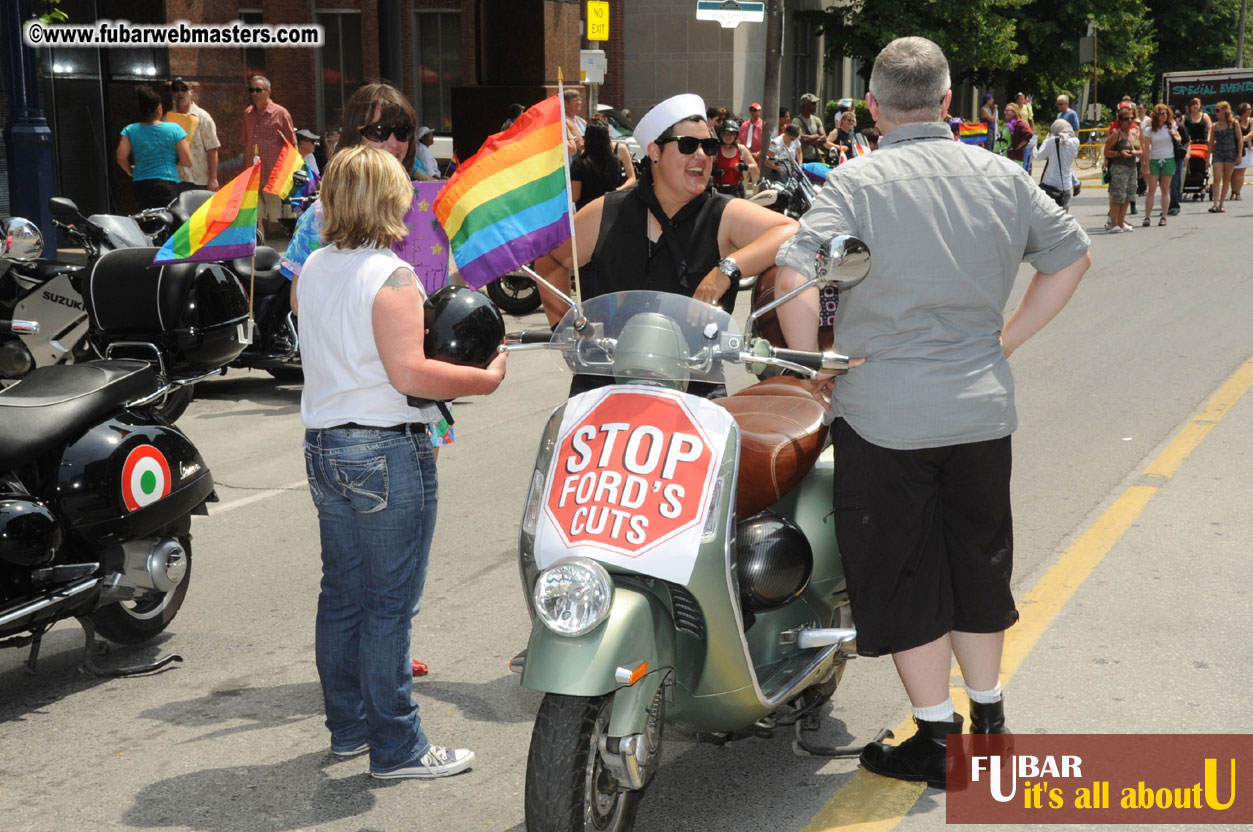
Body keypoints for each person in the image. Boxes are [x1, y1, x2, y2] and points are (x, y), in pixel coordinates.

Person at [771, 36, 1090, 790]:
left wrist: (815, 370)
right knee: (978, 564)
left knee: (905, 572)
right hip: (980, 410)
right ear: (948, 102)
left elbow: (793, 271)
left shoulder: (854, 182)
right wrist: (1004, 341)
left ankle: (937, 738)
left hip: (883, 417)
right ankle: (990, 723)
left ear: (872, 107)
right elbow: (1070, 257)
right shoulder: (1000, 174)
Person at [293, 144, 506, 780]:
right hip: (384, 446)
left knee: (342, 593)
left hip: (325, 443)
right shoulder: (392, 276)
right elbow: (409, 374)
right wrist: (487, 378)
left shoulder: (313, 269)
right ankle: (398, 747)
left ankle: (350, 729)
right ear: (391, 201)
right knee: (389, 603)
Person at [533, 93, 798, 398]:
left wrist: (726, 270)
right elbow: (550, 257)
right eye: (688, 145)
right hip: (605, 385)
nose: (702, 155)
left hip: (695, 389)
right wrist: (565, 329)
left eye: (709, 146)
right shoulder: (607, 211)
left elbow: (790, 230)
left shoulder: (721, 213)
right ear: (655, 151)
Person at [117, 85, 192, 210]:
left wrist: (131, 171)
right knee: (170, 219)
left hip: (141, 185)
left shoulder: (130, 130)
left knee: (146, 219)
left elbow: (121, 158)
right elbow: (187, 161)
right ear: (159, 109)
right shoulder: (175, 129)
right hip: (167, 184)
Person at [240, 75, 297, 239]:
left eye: (258, 90)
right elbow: (245, 142)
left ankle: (288, 244)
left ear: (269, 91)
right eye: (251, 90)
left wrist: (291, 173)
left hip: (274, 174)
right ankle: (261, 243)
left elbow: (292, 145)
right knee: (256, 213)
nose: (254, 94)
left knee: (277, 217)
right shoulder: (248, 114)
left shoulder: (280, 113)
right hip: (253, 174)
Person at [569, 115, 635, 209]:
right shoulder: (615, 160)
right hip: (610, 207)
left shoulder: (580, 163)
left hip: (588, 210)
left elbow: (575, 197)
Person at [166, 77, 220, 191]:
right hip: (174, 180)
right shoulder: (167, 118)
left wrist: (213, 178)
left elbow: (212, 149)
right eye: (176, 89)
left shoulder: (203, 117)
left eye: (184, 88)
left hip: (198, 181)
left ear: (192, 92)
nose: (179, 93)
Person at [1104, 102, 1141, 232]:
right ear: (1120, 121)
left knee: (1128, 196)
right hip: (1119, 169)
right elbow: (1107, 151)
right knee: (1118, 197)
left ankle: (1121, 222)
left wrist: (1137, 152)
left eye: (1131, 118)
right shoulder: (1116, 134)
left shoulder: (1133, 134)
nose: (1129, 121)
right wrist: (1119, 153)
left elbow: (1140, 149)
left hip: (1132, 168)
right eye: (1126, 119)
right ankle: (1114, 224)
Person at [1141, 104, 1180, 226]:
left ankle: (1164, 216)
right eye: (1162, 113)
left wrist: (1174, 134)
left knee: (1165, 189)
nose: (1164, 116)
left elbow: (1180, 139)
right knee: (1151, 189)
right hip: (1154, 159)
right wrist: (1146, 165)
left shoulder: (1171, 126)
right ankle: (1147, 217)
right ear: (1156, 115)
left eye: (1166, 113)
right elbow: (1146, 148)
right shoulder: (1149, 130)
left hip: (1168, 158)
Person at [1037, 118, 1079, 212]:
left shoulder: (1052, 141)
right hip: (1067, 187)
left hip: (1051, 185)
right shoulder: (1075, 142)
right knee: (1063, 216)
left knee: (1049, 215)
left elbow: (1039, 156)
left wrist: (1046, 140)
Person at [711, 117, 759, 196]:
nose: (728, 137)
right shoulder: (715, 150)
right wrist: (713, 172)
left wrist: (744, 166)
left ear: (736, 135)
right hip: (718, 190)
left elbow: (754, 166)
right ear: (720, 135)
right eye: (725, 133)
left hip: (736, 191)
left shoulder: (741, 149)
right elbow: (704, 167)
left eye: (732, 134)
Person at [1209, 101, 1241, 212]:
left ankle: (1221, 204)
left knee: (1226, 178)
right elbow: (1211, 142)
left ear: (1224, 111)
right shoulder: (1214, 126)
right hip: (1218, 153)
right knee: (1217, 177)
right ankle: (1215, 204)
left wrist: (1239, 155)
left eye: (1217, 110)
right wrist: (1207, 158)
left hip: (1230, 153)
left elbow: (1239, 139)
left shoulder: (1234, 123)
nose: (1215, 112)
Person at [793, 93, 830, 164]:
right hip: (802, 158)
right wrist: (817, 135)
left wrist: (811, 141)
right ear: (805, 105)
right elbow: (803, 138)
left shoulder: (817, 120)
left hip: (815, 157)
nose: (815, 105)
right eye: (813, 103)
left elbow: (824, 138)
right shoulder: (796, 121)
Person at [1169, 110, 1190, 215]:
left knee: (1175, 181)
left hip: (1177, 156)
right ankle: (1167, 205)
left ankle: (1174, 205)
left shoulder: (1179, 127)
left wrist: (1183, 151)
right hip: (1165, 156)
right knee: (1166, 184)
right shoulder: (1162, 127)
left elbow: (1187, 141)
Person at [1231, 102, 1252, 199]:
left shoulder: (1251, 120)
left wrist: (1243, 139)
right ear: (1242, 110)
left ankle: (1238, 192)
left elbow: (1252, 133)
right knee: (1234, 171)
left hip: (1246, 148)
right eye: (1247, 109)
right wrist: (1239, 140)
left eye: (1250, 109)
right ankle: (1233, 191)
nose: (1249, 111)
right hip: (1235, 148)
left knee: (1241, 171)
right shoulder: (1235, 120)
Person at [1005, 103, 1034, 168]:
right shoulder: (1010, 123)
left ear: (1014, 112)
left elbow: (1029, 133)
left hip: (1016, 158)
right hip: (1009, 157)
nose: (1005, 112)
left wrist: (1019, 146)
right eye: (1005, 110)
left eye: (1008, 111)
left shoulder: (1019, 123)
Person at [739, 102, 765, 168]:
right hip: (745, 159)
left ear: (760, 111)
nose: (752, 112)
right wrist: (747, 153)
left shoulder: (763, 126)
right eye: (751, 110)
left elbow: (767, 143)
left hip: (759, 160)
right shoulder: (744, 125)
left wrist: (758, 154)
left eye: (755, 110)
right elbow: (740, 141)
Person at [563, 88, 587, 158]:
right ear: (566, 103)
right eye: (575, 100)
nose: (579, 102)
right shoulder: (564, 121)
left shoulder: (582, 120)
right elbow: (580, 144)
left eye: (580, 100)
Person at [1015, 92, 1035, 171]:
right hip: (1017, 132)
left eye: (1022, 99)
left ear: (1024, 100)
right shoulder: (1014, 108)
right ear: (1016, 100)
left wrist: (1032, 131)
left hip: (1026, 132)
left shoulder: (1027, 107)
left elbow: (1031, 120)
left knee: (1027, 151)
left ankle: (1028, 168)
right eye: (1019, 99)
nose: (1020, 101)